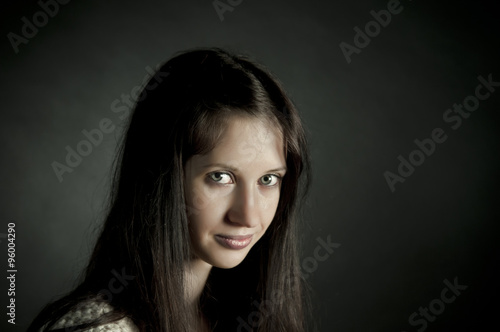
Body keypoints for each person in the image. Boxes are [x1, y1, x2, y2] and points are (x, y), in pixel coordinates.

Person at [28, 47, 312, 332]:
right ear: (159, 177)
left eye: (268, 180)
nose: (248, 216)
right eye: (220, 176)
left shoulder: (243, 316)